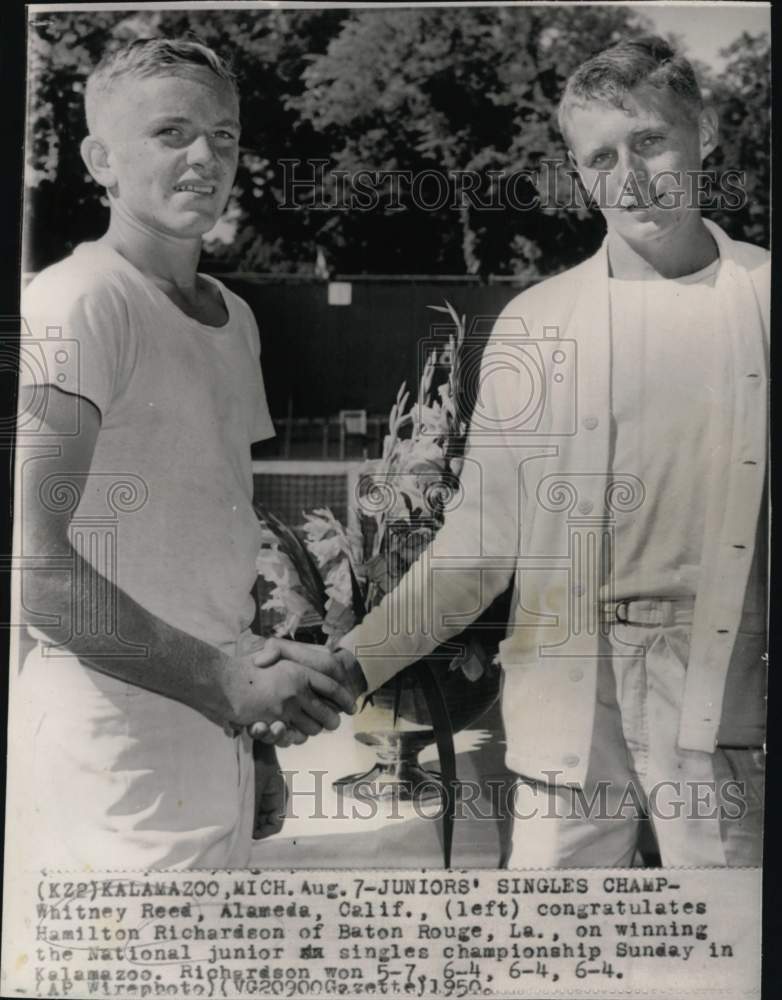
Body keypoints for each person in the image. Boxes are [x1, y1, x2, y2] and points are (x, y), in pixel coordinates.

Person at [270, 36, 768, 867]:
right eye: (601, 157)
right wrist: (353, 667)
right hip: (563, 712)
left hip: (725, 718)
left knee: (725, 962)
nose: (632, 177)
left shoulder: (762, 298)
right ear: (579, 173)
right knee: (552, 962)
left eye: (650, 141)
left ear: (704, 133)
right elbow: (478, 544)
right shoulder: (535, 324)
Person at [12, 38, 357, 870]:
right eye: (171, 133)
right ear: (101, 159)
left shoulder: (233, 316)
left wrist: (254, 741)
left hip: (218, 731)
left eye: (225, 136)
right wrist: (227, 686)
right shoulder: (77, 299)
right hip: (111, 747)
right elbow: (40, 575)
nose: (205, 158)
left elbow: (219, 547)